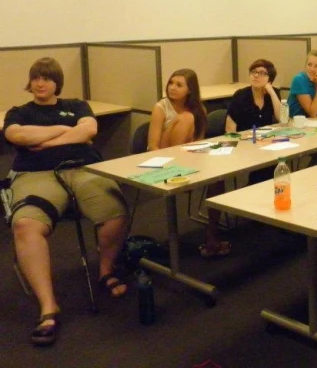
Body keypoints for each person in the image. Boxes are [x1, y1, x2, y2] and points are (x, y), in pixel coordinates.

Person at [3, 58, 129, 346]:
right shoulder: (19, 112)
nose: (40, 83)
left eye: (46, 78)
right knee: (24, 225)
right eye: (35, 78)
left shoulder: (77, 105)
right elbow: (16, 134)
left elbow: (89, 131)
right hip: (35, 175)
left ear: (57, 82)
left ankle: (106, 270)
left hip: (83, 169)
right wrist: (65, 130)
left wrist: (44, 141)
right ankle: (48, 307)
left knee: (116, 209)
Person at [148, 69, 227, 258]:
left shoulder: (199, 108)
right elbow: (152, 146)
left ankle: (212, 234)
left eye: (179, 85)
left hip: (188, 156)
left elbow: (197, 143)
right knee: (186, 117)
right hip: (165, 159)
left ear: (190, 90)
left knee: (218, 179)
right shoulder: (161, 107)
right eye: (171, 83)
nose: (172, 88)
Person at [225, 59, 281, 132]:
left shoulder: (273, 93)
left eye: (262, 73)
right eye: (253, 71)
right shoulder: (240, 95)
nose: (256, 75)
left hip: (265, 139)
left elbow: (281, 118)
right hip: (244, 140)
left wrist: (272, 92)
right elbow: (229, 129)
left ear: (270, 79)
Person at [287, 49, 317, 118]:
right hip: (295, 122)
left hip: (313, 122)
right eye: (309, 64)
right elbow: (312, 113)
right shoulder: (299, 80)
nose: (312, 69)